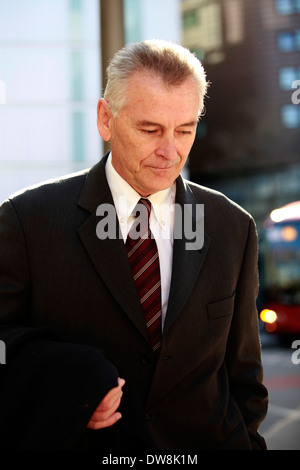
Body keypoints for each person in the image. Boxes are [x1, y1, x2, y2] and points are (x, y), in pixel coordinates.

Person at [0, 39, 268, 450]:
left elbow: (244, 376)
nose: (170, 151)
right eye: (150, 129)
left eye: (185, 130)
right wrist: (68, 391)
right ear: (106, 119)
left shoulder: (233, 227)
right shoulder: (25, 221)